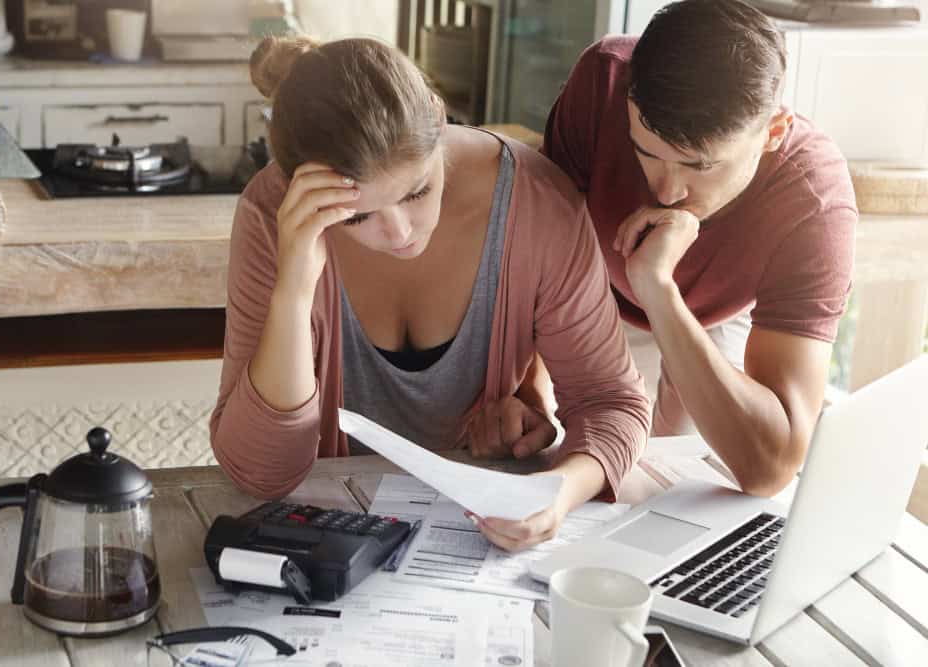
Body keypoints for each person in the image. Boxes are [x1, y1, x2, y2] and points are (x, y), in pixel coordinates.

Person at [209, 35, 651, 551]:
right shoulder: (272, 215)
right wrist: (294, 289)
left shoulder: (536, 201)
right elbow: (261, 472)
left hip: (471, 548)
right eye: (357, 216)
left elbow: (611, 401)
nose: (399, 233)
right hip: (333, 540)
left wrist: (557, 493)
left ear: (438, 121)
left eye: (416, 191)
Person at [528, 0, 856, 496]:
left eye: (700, 167)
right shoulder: (603, 82)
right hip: (586, 282)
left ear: (773, 132)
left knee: (677, 479)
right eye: (647, 153)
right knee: (572, 464)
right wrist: (527, 394)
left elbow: (771, 467)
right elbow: (531, 252)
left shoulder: (815, 202)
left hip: (716, 315)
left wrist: (659, 288)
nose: (666, 193)